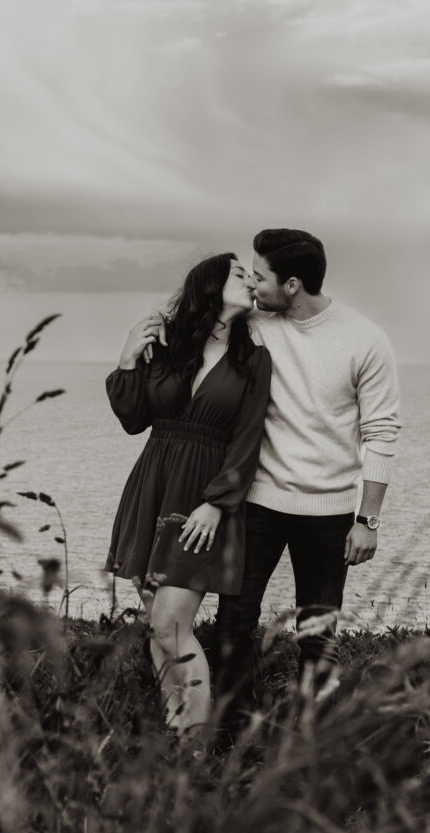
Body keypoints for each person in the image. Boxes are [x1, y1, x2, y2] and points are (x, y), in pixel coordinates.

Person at [214, 228, 401, 717]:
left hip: (329, 513)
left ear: (292, 285)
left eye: (260, 277)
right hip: (257, 503)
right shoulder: (253, 325)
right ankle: (231, 734)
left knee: (317, 636)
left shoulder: (365, 340)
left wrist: (368, 520)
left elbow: (381, 433)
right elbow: (197, 328)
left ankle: (310, 743)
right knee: (234, 619)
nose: (253, 286)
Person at [104, 252, 272, 737]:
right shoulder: (169, 346)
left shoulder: (252, 361)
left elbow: (248, 439)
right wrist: (128, 357)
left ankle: (197, 753)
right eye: (239, 274)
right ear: (209, 286)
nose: (250, 280)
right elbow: (134, 419)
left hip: (203, 499)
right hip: (152, 486)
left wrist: (218, 503)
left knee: (171, 621)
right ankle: (179, 742)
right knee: (158, 630)